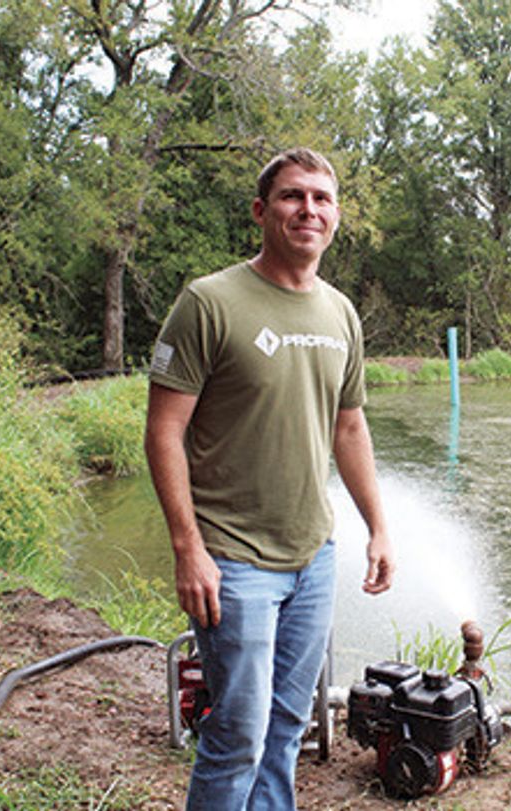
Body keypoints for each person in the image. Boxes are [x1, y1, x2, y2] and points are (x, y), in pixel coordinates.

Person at [144, 147, 395, 810]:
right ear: (261, 211)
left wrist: (378, 526)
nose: (307, 209)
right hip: (233, 560)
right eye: (292, 196)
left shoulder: (341, 314)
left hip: (313, 556)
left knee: (288, 727)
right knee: (237, 734)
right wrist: (186, 547)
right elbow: (163, 431)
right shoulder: (210, 302)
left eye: (321, 197)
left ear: (336, 216)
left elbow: (349, 429)